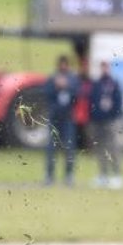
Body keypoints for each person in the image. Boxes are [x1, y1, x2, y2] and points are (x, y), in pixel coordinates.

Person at [89, 60, 123, 189]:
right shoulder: (96, 83)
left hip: (110, 121)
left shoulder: (114, 84)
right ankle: (102, 175)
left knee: (113, 148)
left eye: (106, 67)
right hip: (98, 121)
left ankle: (117, 175)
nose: (104, 69)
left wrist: (113, 116)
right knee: (100, 149)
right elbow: (92, 101)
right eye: (102, 66)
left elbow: (119, 102)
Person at [42, 55, 77, 187]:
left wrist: (66, 86)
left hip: (67, 118)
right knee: (51, 148)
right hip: (54, 119)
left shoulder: (72, 79)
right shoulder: (52, 78)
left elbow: (77, 93)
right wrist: (56, 86)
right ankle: (49, 175)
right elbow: (46, 92)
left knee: (69, 147)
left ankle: (69, 175)